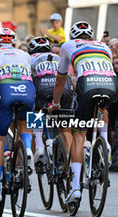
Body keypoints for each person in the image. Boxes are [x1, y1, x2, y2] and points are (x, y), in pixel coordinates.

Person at [49, 21, 118, 203]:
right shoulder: (103, 45)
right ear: (91, 36)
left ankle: (76, 188)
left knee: (79, 135)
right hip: (111, 84)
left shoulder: (68, 45)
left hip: (86, 84)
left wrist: (56, 103)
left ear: (73, 37)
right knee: (101, 104)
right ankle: (104, 142)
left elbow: (60, 80)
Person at [0, 28, 36, 206]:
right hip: (28, 90)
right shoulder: (25, 54)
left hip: (5, 90)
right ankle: (27, 148)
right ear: (14, 43)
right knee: (25, 123)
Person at [28, 36, 74, 166]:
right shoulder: (58, 57)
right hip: (64, 89)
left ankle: (39, 145)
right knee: (65, 129)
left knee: (36, 110)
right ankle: (69, 160)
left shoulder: (30, 58)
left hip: (43, 88)